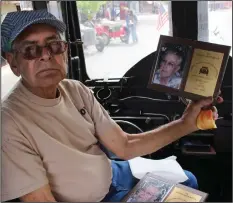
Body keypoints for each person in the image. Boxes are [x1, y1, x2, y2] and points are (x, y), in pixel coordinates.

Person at [1, 10, 222, 202]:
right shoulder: (9, 123)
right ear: (12, 62)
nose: (46, 55)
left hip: (114, 176)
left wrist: (186, 123)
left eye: (54, 45)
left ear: (65, 50)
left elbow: (124, 145)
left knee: (188, 181)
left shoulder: (75, 89)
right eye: (30, 50)